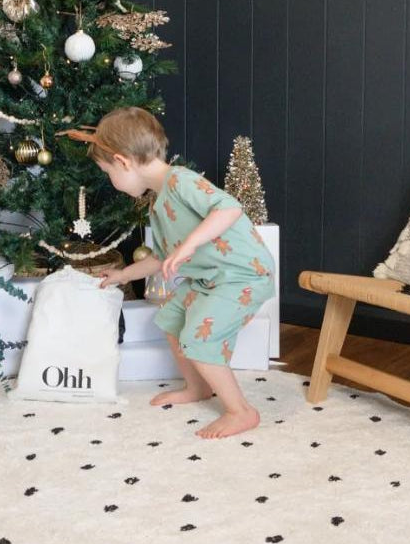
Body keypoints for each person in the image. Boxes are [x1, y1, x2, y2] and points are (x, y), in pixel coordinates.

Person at [61, 107, 276, 439]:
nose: (112, 182)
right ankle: (198, 387)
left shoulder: (180, 180)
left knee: (200, 338)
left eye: (108, 173)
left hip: (242, 276)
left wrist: (190, 244)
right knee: (172, 319)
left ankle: (241, 411)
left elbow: (230, 208)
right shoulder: (158, 202)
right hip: (210, 279)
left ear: (123, 161)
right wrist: (123, 275)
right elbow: (161, 257)